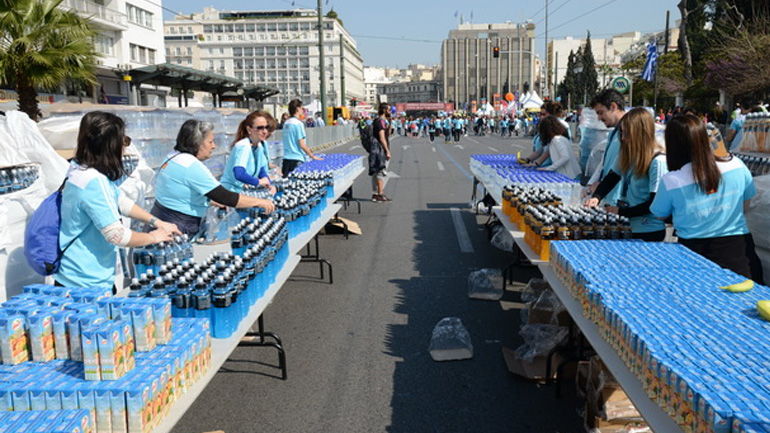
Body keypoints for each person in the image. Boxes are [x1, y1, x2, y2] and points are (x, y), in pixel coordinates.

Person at [54, 111, 181, 289]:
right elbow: (117, 235)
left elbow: (120, 201)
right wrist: (154, 237)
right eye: (124, 141)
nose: (125, 147)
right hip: (86, 283)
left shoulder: (78, 170)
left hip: (74, 276)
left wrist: (157, 221)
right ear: (110, 145)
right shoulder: (93, 182)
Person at [650, 114, 763, 283]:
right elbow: (745, 205)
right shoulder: (737, 165)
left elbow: (659, 213)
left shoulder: (672, 180)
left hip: (693, 257)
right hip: (739, 253)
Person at [152, 119, 275, 236]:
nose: (214, 146)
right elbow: (225, 197)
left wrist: (211, 201)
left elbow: (181, 191)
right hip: (177, 226)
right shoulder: (190, 166)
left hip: (161, 218)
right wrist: (259, 201)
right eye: (210, 142)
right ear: (198, 143)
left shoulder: (173, 157)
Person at [584, 108, 668, 241]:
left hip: (648, 229)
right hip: (627, 226)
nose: (623, 138)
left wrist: (621, 211)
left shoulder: (657, 161)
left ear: (641, 133)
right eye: (621, 133)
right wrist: (596, 197)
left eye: (627, 134)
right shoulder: (627, 154)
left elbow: (654, 204)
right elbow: (612, 177)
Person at [585, 89, 627, 205]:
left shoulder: (629, 131)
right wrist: (592, 184)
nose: (599, 118)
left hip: (622, 200)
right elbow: (604, 164)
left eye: (600, 112)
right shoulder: (613, 133)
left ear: (613, 107)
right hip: (609, 196)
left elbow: (622, 169)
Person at [221, 111, 277, 197]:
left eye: (266, 127)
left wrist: (268, 183)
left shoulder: (258, 146)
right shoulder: (243, 146)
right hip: (230, 193)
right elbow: (239, 174)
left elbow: (261, 170)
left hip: (241, 191)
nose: (265, 131)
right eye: (260, 128)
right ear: (249, 130)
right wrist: (259, 182)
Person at [282, 99, 322, 176]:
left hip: (286, 159)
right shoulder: (298, 124)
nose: (303, 111)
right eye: (302, 108)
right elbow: (302, 144)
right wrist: (312, 155)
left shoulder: (286, 123)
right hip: (297, 159)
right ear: (298, 109)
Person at [370, 103, 392, 202]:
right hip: (380, 149)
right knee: (381, 171)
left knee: (376, 172)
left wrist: (390, 123)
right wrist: (387, 151)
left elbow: (388, 134)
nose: (390, 112)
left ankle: (375, 194)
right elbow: (382, 137)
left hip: (376, 149)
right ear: (384, 110)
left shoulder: (382, 121)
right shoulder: (380, 121)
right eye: (389, 110)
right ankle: (380, 194)